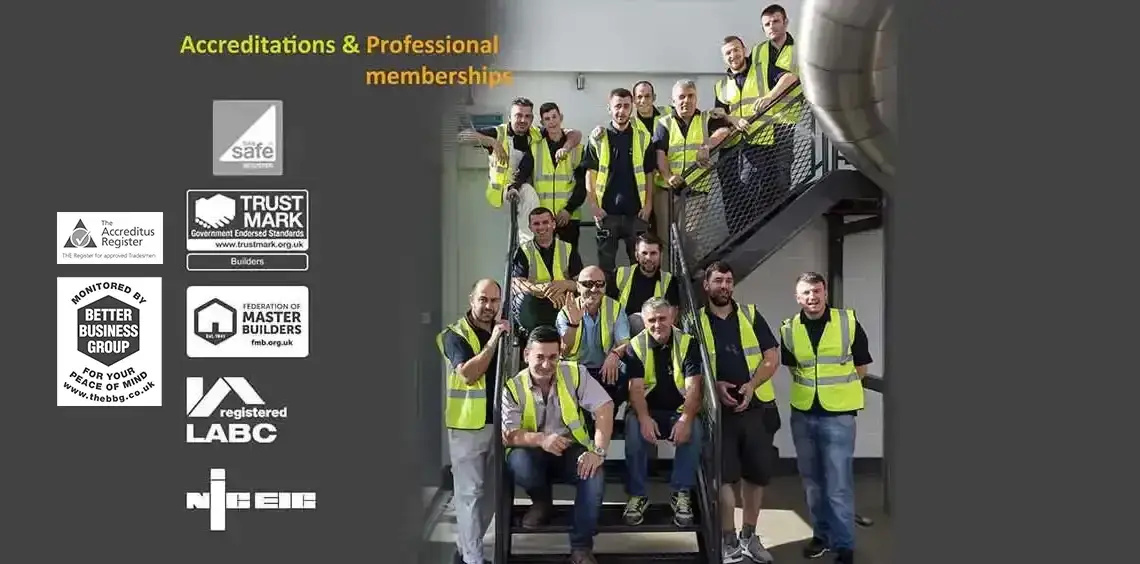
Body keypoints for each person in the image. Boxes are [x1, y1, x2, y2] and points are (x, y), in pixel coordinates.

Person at [779, 272, 873, 564]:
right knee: (812, 483)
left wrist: (836, 392)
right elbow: (794, 368)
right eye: (806, 292)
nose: (812, 297)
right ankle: (821, 537)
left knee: (838, 483)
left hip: (839, 417)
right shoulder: (789, 329)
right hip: (804, 415)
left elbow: (861, 367)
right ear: (797, 297)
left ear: (825, 292)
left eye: (817, 291)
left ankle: (844, 546)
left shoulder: (848, 322)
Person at [501, 325, 615, 564]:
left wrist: (598, 452)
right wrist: (542, 439)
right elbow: (508, 435)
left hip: (570, 451)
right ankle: (542, 503)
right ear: (526, 355)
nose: (546, 364)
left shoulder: (575, 373)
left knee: (594, 473)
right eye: (539, 357)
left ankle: (581, 547)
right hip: (532, 452)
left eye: (553, 357)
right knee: (519, 461)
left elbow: (604, 407)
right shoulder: (512, 387)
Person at [696, 261, 781, 564]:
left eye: (729, 280)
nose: (724, 286)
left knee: (756, 477)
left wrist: (751, 386)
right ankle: (729, 540)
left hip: (755, 409)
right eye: (718, 280)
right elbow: (690, 365)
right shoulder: (696, 322)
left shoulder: (751, 315)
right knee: (724, 479)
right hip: (719, 414)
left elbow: (772, 356)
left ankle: (749, 536)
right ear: (706, 285)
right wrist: (714, 386)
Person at [436, 279, 510, 564]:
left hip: (498, 423)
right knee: (470, 494)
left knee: (492, 494)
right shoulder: (454, 335)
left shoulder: (504, 331)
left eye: (494, 301)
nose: (489, 306)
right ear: (471, 299)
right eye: (483, 300)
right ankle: (472, 559)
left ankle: (467, 543)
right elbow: (468, 374)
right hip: (467, 426)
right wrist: (493, 341)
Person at [621, 297, 704, 528]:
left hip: (678, 410)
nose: (657, 324)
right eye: (652, 320)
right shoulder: (635, 346)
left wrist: (686, 419)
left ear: (673, 317)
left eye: (662, 319)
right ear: (644, 322)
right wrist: (645, 418)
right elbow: (635, 389)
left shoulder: (688, 343)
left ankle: (681, 492)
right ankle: (638, 495)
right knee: (633, 429)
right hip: (647, 410)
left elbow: (694, 387)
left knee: (695, 430)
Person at [458, 97, 583, 244]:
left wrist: (565, 148)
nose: (523, 120)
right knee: (527, 197)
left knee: (528, 198)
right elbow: (461, 136)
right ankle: (528, 247)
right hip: (503, 195)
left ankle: (528, 248)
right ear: (510, 117)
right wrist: (492, 142)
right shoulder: (498, 133)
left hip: (523, 191)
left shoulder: (537, 133)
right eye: (518, 115)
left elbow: (575, 134)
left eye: (527, 116)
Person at [582, 88, 657, 279]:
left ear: (632, 107)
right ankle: (609, 306)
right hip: (607, 213)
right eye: (617, 106)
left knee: (641, 267)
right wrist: (594, 206)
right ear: (609, 108)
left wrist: (648, 205)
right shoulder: (597, 138)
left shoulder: (642, 137)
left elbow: (649, 173)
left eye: (625, 106)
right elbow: (590, 174)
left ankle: (640, 308)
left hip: (636, 213)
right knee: (606, 269)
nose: (621, 111)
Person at [711, 36, 781, 237]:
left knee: (755, 191)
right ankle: (737, 236)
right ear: (724, 58)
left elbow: (790, 79)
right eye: (728, 53)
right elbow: (718, 115)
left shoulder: (762, 71)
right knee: (733, 196)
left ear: (744, 50)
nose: (733, 55)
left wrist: (769, 97)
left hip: (760, 143)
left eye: (735, 50)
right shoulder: (721, 86)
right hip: (732, 149)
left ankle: (752, 234)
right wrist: (733, 120)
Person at [556, 265, 631, 412]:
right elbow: (564, 351)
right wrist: (573, 324)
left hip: (605, 369)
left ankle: (610, 414)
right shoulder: (566, 312)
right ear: (578, 286)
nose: (594, 289)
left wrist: (614, 354)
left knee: (630, 368)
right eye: (588, 284)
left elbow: (625, 343)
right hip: (577, 370)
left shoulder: (615, 307)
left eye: (599, 284)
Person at [510, 207, 584, 343]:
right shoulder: (523, 251)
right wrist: (546, 290)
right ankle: (531, 337)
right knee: (521, 300)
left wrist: (564, 285)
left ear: (554, 224)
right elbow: (517, 283)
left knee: (582, 300)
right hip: (536, 304)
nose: (541, 227)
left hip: (562, 304)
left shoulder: (568, 248)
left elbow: (581, 285)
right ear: (530, 227)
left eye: (545, 222)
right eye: (536, 224)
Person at [754, 4, 804, 192]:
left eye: (776, 21)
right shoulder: (758, 51)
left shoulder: (800, 51)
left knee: (782, 171)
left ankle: (782, 213)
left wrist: (770, 97)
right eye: (767, 24)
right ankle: (766, 218)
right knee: (761, 174)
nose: (772, 26)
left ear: (785, 23)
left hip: (785, 120)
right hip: (760, 122)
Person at [535, 102, 589, 253]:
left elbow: (582, 185)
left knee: (569, 262)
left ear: (561, 117)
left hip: (568, 217)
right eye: (547, 118)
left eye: (554, 117)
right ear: (542, 122)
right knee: (543, 262)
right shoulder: (535, 146)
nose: (551, 121)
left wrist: (569, 209)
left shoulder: (577, 149)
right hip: (542, 220)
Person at [631, 80, 674, 255]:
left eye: (647, 96)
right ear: (634, 100)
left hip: (666, 183)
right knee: (646, 230)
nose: (643, 100)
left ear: (654, 97)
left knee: (666, 231)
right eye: (639, 97)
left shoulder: (669, 114)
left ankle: (668, 269)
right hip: (641, 185)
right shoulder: (630, 122)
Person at [610, 232, 679, 335]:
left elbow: (671, 318)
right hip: (621, 333)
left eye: (653, 253)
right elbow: (607, 308)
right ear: (636, 255)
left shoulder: (669, 280)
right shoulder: (620, 274)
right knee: (635, 321)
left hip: (653, 334)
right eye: (644, 253)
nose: (648, 258)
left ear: (661, 255)